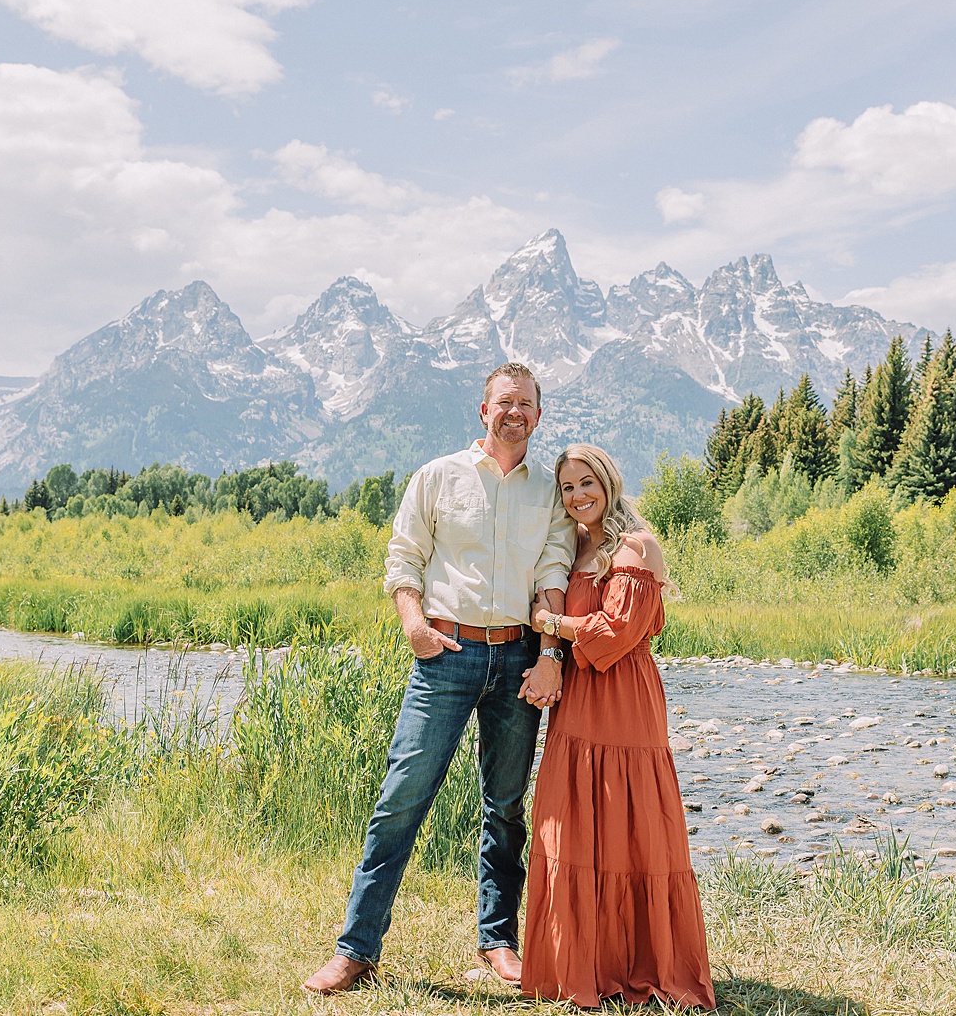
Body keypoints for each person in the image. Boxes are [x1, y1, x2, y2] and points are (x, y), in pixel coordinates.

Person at [303, 362, 575, 995]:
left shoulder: (549, 490)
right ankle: (356, 950)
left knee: (506, 807)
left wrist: (552, 654)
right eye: (504, 402)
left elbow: (554, 571)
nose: (515, 412)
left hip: (518, 658)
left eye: (526, 403)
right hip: (444, 655)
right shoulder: (437, 476)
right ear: (484, 411)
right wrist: (414, 626)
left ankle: (497, 941)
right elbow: (405, 557)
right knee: (402, 798)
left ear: (539, 413)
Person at [523, 443, 716, 1010]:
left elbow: (613, 632)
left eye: (587, 483)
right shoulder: (577, 547)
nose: (578, 496)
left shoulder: (635, 546)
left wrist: (552, 623)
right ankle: (578, 963)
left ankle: (640, 962)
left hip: (622, 701)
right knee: (574, 819)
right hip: (578, 701)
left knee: (629, 822)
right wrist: (552, 642)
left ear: (608, 483)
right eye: (567, 488)